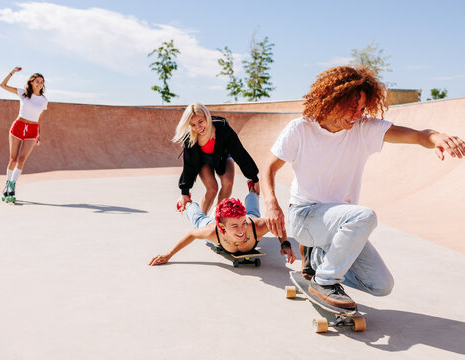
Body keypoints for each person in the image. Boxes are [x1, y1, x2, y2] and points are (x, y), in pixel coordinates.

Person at [261, 65, 465, 309]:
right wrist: (272, 203)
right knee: (364, 216)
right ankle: (325, 281)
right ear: (334, 100)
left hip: (340, 223)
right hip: (305, 216)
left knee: (381, 285)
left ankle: (318, 261)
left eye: (362, 109)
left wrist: (437, 137)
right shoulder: (300, 129)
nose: (358, 115)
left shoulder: (364, 129)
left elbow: (416, 135)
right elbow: (268, 168)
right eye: (352, 108)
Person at [149, 183, 296, 266]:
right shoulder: (212, 231)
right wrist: (168, 255)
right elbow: (192, 234)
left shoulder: (255, 227)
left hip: (251, 219)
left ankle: (253, 189)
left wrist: (285, 245)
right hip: (213, 226)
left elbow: (279, 225)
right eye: (235, 226)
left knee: (253, 214)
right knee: (200, 220)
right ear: (222, 226)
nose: (241, 230)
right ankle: (186, 202)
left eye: (242, 223)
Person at [173, 103, 260, 215]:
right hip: (203, 160)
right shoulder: (190, 138)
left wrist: (254, 178)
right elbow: (189, 165)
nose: (198, 128)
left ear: (207, 116)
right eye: (193, 125)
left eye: (200, 121)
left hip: (222, 157)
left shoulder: (223, 128)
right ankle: (200, 223)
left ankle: (217, 216)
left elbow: (239, 153)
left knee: (228, 183)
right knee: (212, 189)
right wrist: (185, 192)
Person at [0, 67, 48, 202]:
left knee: (22, 160)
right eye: (37, 81)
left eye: (42, 82)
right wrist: (12, 72)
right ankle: (7, 184)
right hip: (18, 127)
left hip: (32, 130)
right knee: (13, 159)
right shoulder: (23, 93)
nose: (39, 84)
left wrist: (39, 134)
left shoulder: (44, 100)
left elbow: (40, 118)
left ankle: (12, 185)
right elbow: (2, 85)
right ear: (31, 82)